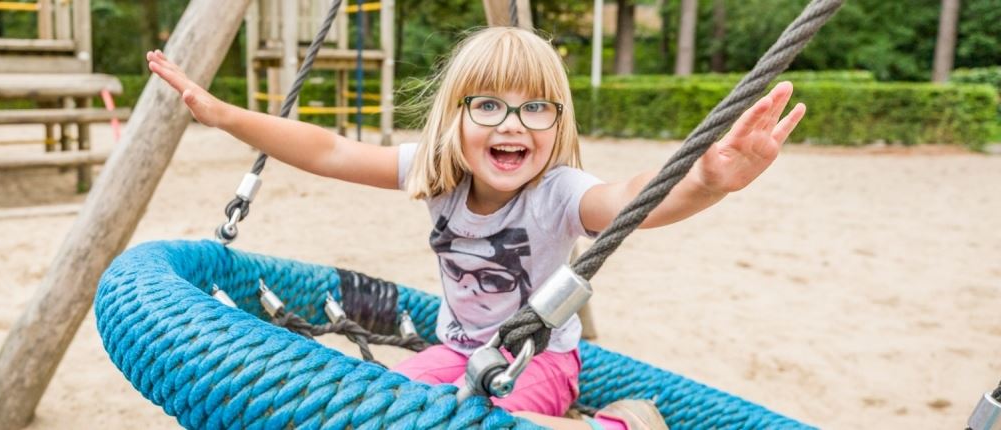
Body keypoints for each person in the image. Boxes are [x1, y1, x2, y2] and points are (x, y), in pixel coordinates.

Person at [146, 25, 805, 430]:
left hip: (539, 360)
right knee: (380, 406)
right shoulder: (436, 174)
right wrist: (226, 115)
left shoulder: (558, 193)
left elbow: (633, 201)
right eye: (487, 104)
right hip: (459, 351)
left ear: (558, 124)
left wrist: (704, 180)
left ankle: (617, 426)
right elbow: (330, 150)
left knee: (478, 423)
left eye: (535, 108)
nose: (511, 124)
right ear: (453, 119)